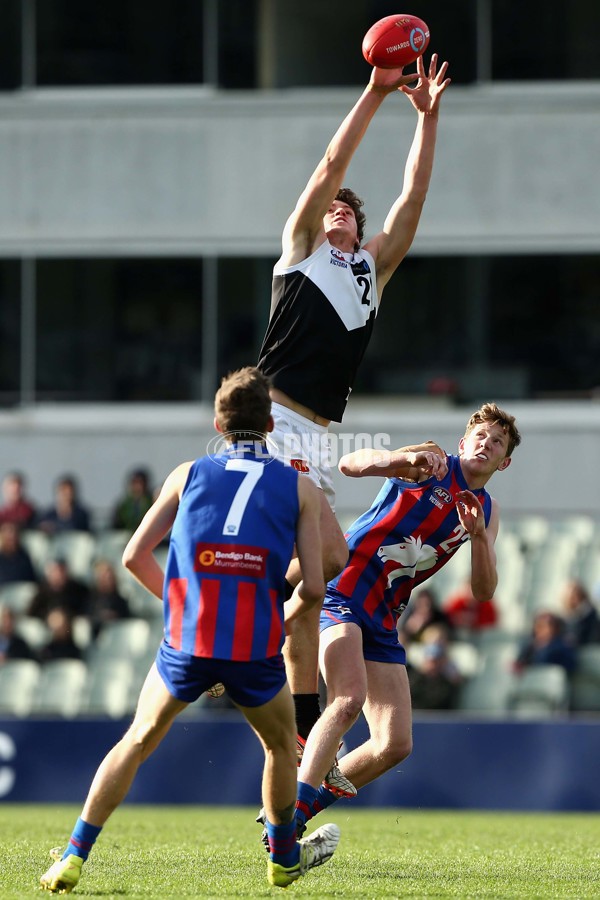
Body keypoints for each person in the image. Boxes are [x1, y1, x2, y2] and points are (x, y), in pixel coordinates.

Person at [40, 367, 340, 894]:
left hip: (187, 640)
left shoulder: (186, 474)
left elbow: (133, 556)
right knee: (277, 749)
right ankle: (283, 859)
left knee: (136, 740)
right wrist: (277, 620)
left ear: (218, 423)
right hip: (254, 648)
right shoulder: (301, 488)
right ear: (271, 423)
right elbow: (314, 588)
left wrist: (182, 608)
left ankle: (72, 856)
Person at [256, 53, 451, 762]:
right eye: (332, 203)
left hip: (322, 439)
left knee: (319, 582)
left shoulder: (370, 268)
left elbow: (414, 200)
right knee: (320, 565)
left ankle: (301, 723)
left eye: (348, 206)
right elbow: (329, 161)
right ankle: (244, 627)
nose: (337, 205)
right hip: (273, 426)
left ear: (358, 228)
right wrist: (374, 92)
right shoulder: (302, 249)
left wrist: (427, 121)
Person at [287, 402, 520, 836]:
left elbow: (484, 591)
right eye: (481, 435)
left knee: (395, 744)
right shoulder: (430, 463)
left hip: (384, 614)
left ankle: (298, 808)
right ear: (462, 443)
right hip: (345, 589)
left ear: (504, 462)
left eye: (497, 442)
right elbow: (350, 464)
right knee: (348, 700)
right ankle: (289, 820)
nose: (486, 443)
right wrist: (403, 460)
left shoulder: (487, 510)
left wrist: (477, 537)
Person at [407, 623, 462, 710]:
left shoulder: (451, 673)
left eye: (439, 644)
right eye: (432, 643)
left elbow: (452, 696)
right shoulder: (413, 671)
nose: (435, 648)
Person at [513, 610, 577, 675]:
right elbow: (519, 663)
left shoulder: (562, 648)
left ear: (556, 628)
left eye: (544, 626)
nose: (539, 629)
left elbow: (567, 668)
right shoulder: (529, 646)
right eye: (539, 625)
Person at [27, 557, 89, 623]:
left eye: (61, 571)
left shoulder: (78, 589)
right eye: (54, 571)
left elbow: (86, 610)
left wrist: (66, 616)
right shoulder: (43, 590)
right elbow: (32, 613)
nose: (58, 574)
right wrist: (50, 616)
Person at [84, 559, 131, 640]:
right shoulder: (91, 599)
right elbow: (88, 619)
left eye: (109, 574)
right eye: (103, 575)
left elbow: (126, 620)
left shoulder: (121, 600)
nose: (107, 578)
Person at [111, 467, 154, 532]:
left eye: (140, 483)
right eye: (134, 483)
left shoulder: (152, 501)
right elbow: (116, 523)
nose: (137, 487)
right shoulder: (124, 504)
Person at [559, 579, 600, 647]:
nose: (575, 599)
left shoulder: (590, 615)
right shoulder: (562, 618)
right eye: (572, 596)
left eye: (578, 595)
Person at [0, 522, 38, 586]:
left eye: (13, 533)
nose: (11, 536)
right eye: (8, 538)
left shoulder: (24, 556)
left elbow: (31, 579)